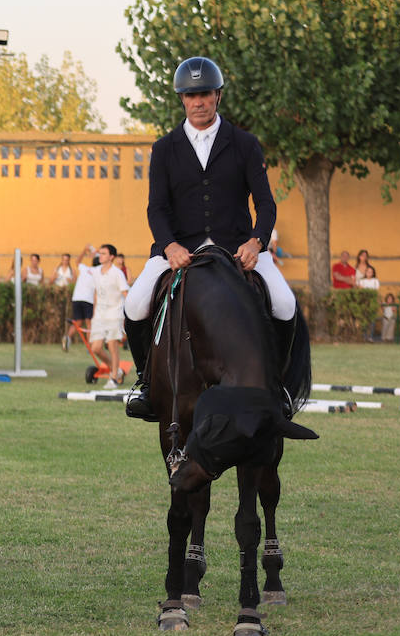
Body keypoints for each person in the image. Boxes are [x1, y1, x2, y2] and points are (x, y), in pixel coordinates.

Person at [124, 57, 297, 420]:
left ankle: (278, 386)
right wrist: (169, 245)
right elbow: (156, 208)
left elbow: (265, 203)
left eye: (204, 94)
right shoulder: (164, 148)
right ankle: (145, 382)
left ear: (217, 96)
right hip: (179, 248)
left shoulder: (245, 143)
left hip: (237, 247)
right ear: (182, 100)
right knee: (135, 305)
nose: (198, 101)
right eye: (190, 95)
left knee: (284, 303)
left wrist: (256, 242)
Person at [90, 244, 130, 388]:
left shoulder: (117, 273)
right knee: (96, 348)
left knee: (112, 344)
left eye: (103, 253)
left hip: (114, 313)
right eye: (99, 253)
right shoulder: (95, 272)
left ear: (111, 257)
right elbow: (95, 293)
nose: (100, 255)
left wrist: (128, 314)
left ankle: (113, 378)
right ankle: (117, 370)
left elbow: (126, 293)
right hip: (100, 315)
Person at [62, 245, 97, 352]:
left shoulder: (85, 268)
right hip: (88, 300)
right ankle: (89, 347)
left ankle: (67, 338)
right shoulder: (99, 273)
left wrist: (84, 250)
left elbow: (77, 261)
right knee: (89, 324)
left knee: (77, 322)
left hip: (76, 298)